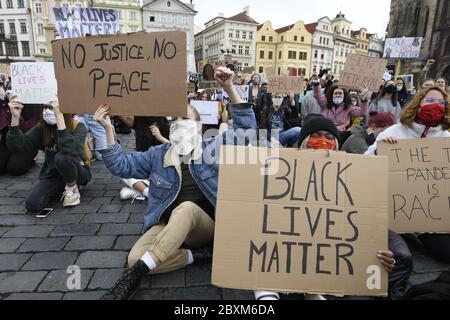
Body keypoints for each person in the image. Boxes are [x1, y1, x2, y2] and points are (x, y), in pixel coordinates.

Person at [95, 67, 257, 300]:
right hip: (169, 224)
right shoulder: (158, 154)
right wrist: (109, 130)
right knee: (134, 257)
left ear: (199, 127)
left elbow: (246, 131)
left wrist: (229, 88)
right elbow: (121, 165)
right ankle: (197, 256)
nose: (180, 124)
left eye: (186, 119)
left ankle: (133, 277)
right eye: (176, 120)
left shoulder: (213, 149)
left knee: (186, 209)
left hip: (204, 225)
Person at [255, 114, 412, 301]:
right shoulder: (282, 169)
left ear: (337, 143)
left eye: (329, 137)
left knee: (401, 257)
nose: (323, 140)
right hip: (301, 234)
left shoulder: (349, 169)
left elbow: (364, 215)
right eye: (316, 135)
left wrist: (377, 254)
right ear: (303, 140)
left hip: (341, 234)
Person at [365, 86, 450, 263]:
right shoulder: (395, 131)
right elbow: (365, 164)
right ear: (418, 104)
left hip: (429, 216)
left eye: (442, 102)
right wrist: (381, 149)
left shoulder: (446, 139)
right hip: (393, 212)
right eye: (430, 101)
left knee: (445, 252)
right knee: (395, 255)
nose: (436, 106)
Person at [7, 98, 91, 212]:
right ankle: (61, 187)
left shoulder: (78, 126)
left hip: (77, 172)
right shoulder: (43, 127)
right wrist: (15, 117)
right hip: (53, 175)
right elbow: (19, 145)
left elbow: (71, 150)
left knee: (62, 157)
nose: (47, 111)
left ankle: (72, 187)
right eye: (45, 107)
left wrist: (59, 118)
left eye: (51, 107)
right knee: (33, 204)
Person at [116, 115, 170, 201]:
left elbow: (177, 150)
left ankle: (142, 191)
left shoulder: (166, 125)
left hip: (161, 167)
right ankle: (147, 192)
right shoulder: (140, 121)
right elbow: (126, 117)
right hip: (146, 166)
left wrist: (160, 138)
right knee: (124, 169)